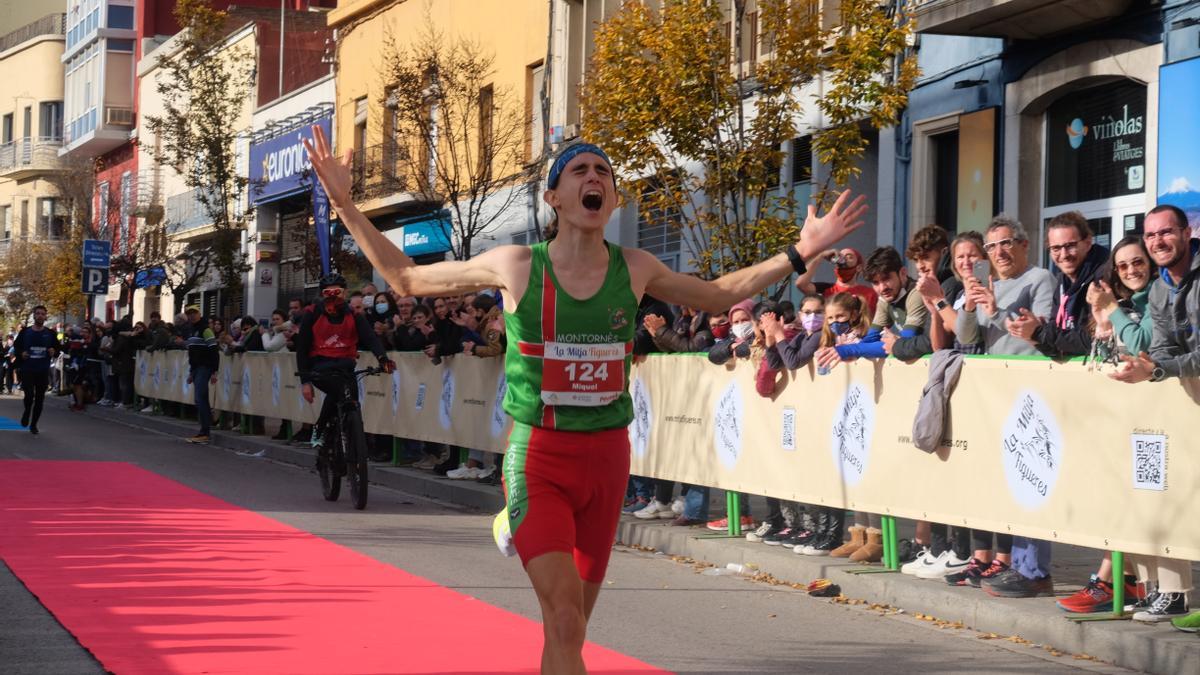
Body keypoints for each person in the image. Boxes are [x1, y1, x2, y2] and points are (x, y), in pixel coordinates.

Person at [304, 127, 866, 673]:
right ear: (554, 196)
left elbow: (718, 294)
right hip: (540, 458)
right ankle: (516, 515)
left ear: (613, 198)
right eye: (579, 170)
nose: (593, 177)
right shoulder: (516, 265)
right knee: (567, 619)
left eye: (603, 172)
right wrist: (344, 202)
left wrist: (801, 252)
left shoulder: (635, 269)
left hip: (606, 463)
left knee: (567, 630)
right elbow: (405, 278)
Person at [1109, 204, 1200, 629]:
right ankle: (1171, 595)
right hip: (1185, 401)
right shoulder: (1162, 287)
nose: (1158, 242)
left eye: (1166, 233)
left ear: (1186, 232)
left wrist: (1158, 369)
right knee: (1162, 490)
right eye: (1150, 236)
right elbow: (1163, 346)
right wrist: (1147, 368)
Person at [957, 215, 1057, 598]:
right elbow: (966, 337)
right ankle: (1012, 563)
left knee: (1030, 478)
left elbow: (1041, 331)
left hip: (1031, 390)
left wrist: (997, 310)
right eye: (992, 246)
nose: (998, 252)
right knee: (1003, 483)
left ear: (1024, 245)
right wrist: (970, 304)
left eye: (1006, 243)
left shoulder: (1039, 279)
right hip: (995, 393)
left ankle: (1034, 570)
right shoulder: (986, 285)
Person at [294, 273, 395, 462]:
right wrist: (305, 382)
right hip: (320, 366)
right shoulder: (312, 313)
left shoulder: (354, 315)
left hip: (346, 366)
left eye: (337, 292)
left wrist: (383, 359)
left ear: (344, 293)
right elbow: (302, 348)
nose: (333, 296)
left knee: (352, 404)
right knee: (338, 390)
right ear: (322, 294)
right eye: (328, 292)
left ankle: (353, 443)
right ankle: (320, 428)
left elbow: (370, 338)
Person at [1008, 211, 1109, 357]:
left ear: (1087, 243)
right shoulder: (1062, 282)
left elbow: (1092, 340)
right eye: (1056, 248)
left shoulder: (1104, 277)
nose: (1064, 255)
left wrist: (1040, 332)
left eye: (1070, 245)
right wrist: (1033, 337)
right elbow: (1059, 349)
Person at [14, 306, 60, 434]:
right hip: (28, 369)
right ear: (34, 316)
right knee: (29, 395)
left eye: (42, 314)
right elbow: (16, 347)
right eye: (38, 314)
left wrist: (53, 351)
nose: (40, 316)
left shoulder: (50, 333)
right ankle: (27, 411)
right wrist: (21, 353)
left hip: (42, 370)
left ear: (46, 317)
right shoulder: (25, 332)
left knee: (40, 398)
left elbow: (57, 349)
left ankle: (33, 424)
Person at [184, 307, 219, 444]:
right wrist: (191, 372)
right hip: (197, 368)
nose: (192, 316)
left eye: (194, 313)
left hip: (205, 367)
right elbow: (192, 354)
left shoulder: (206, 330)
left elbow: (214, 350)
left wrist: (215, 371)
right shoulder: (191, 330)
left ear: (199, 314)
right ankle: (204, 430)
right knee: (200, 399)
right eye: (189, 314)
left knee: (200, 398)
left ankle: (205, 431)